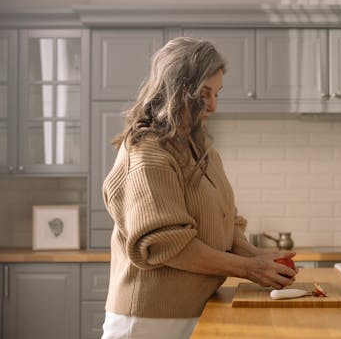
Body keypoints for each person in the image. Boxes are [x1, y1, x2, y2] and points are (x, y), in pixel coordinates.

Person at [100, 37, 297, 339]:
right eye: (204, 94)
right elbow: (170, 245)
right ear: (177, 91)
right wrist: (249, 269)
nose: (214, 106)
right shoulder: (146, 153)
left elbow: (224, 221)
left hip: (194, 310)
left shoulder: (200, 149)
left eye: (216, 94)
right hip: (147, 320)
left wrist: (257, 256)